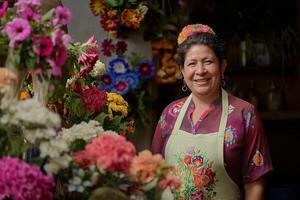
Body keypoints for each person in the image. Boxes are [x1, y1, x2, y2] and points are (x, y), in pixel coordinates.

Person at [151, 24, 272, 200]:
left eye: (208, 61)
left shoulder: (244, 113)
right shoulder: (170, 113)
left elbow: (254, 183)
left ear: (222, 66)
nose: (200, 71)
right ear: (183, 71)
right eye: (192, 63)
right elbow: (153, 171)